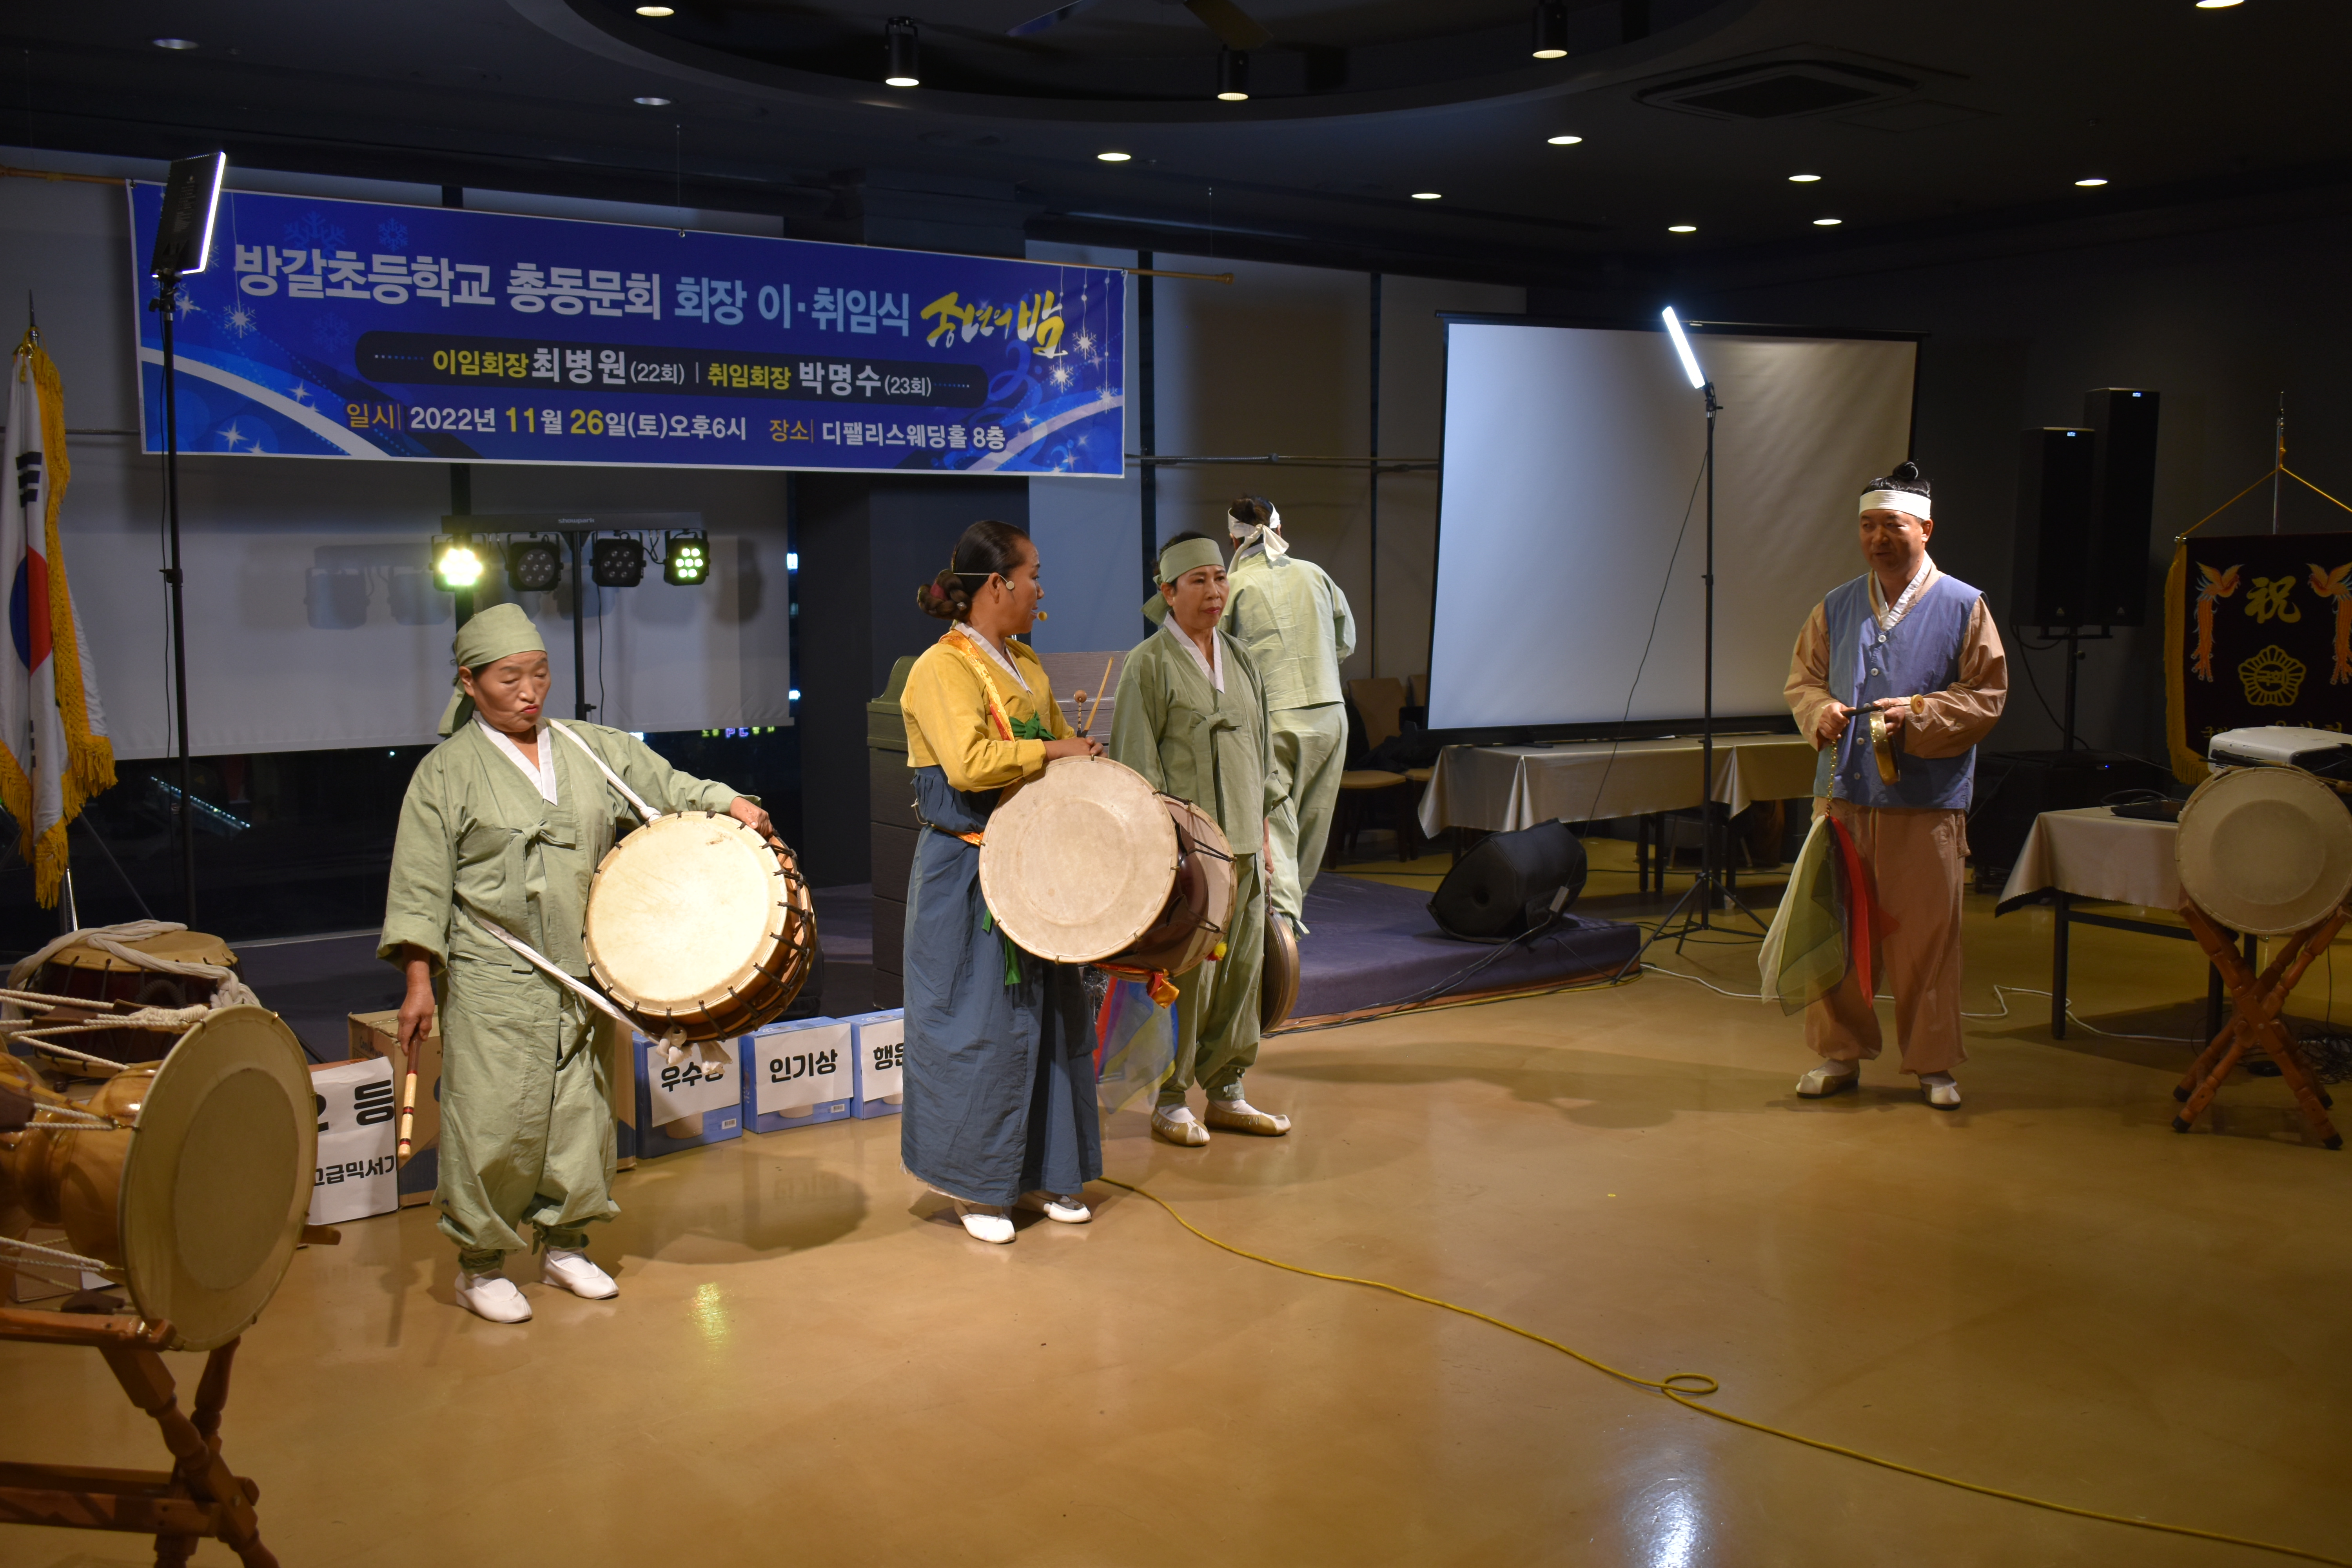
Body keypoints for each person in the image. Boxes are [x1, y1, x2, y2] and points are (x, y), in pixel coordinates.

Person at [380, 603, 770, 1322]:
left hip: (583, 969)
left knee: (580, 1115)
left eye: (540, 674)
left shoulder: (588, 749)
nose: (530, 692)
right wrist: (418, 982)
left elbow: (665, 785)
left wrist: (730, 803)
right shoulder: (445, 774)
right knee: (491, 1118)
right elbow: (420, 883)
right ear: (469, 682)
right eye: (509, 679)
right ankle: (480, 1265)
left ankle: (565, 1244)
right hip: (495, 971)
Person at [899, 520, 1105, 1244]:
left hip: (1032, 868)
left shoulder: (1027, 665)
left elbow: (1053, 754)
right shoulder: (940, 668)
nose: (1041, 590)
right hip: (966, 873)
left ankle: (1047, 1171)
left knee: (1051, 1017)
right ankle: (974, 1186)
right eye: (1034, 575)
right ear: (997, 584)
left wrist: (1078, 759)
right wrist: (1055, 749)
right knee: (977, 1027)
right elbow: (967, 765)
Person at [1782, 461, 2008, 1109]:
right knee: (1838, 927)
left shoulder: (1963, 605)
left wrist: (1922, 714)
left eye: (1893, 525)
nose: (1878, 539)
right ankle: (1839, 1052)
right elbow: (1804, 681)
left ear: (1925, 529)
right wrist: (1819, 711)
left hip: (1926, 802)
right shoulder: (1836, 606)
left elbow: (1987, 695)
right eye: (1868, 526)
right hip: (1843, 796)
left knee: (1926, 937)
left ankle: (1933, 1062)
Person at [1112, 532, 1288, 1145]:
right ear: (1168, 592)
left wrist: (1264, 837)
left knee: (1243, 971)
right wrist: (1165, 860)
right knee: (1189, 978)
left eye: (1220, 577)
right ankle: (1170, 1097)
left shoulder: (1242, 659)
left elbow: (1263, 756)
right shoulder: (1148, 665)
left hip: (1246, 848)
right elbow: (1138, 770)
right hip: (1191, 860)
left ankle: (1227, 1088)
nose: (1215, 591)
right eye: (1198, 581)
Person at [1216, 496, 1356, 934]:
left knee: (1277, 825)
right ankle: (1289, 922)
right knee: (1313, 825)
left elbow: (1216, 659)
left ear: (1232, 539)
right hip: (1329, 712)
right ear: (1280, 528)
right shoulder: (1316, 575)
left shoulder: (1233, 586)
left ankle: (1281, 925)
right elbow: (1345, 642)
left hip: (1273, 716)